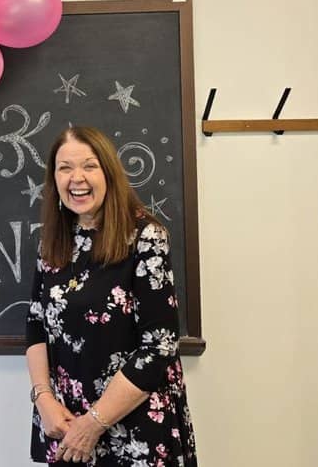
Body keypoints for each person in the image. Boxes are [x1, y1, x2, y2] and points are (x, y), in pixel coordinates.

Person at [26, 126, 197, 466]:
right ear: (54, 179)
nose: (77, 178)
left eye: (89, 166)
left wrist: (93, 423)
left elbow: (159, 346)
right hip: (66, 423)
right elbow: (35, 326)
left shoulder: (146, 238)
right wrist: (43, 399)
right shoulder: (53, 242)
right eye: (65, 168)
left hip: (135, 425)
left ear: (109, 172)